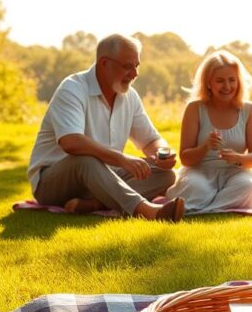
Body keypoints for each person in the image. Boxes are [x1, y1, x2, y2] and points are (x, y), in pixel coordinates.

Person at [27, 34, 184, 222]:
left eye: (137, 66)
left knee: (165, 175)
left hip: (102, 177)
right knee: (86, 160)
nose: (135, 74)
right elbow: (71, 142)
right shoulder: (72, 89)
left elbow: (150, 140)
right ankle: (148, 211)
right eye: (128, 66)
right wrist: (122, 159)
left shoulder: (130, 97)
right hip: (53, 183)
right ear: (104, 64)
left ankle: (95, 204)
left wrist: (162, 153)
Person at [166, 50, 252, 215]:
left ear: (239, 81)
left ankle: (202, 208)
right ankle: (218, 206)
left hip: (236, 174)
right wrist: (205, 146)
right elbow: (185, 158)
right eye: (220, 81)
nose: (227, 87)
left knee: (248, 187)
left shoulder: (249, 110)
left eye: (232, 80)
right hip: (199, 173)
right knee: (196, 188)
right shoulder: (195, 108)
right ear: (208, 83)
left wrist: (238, 158)